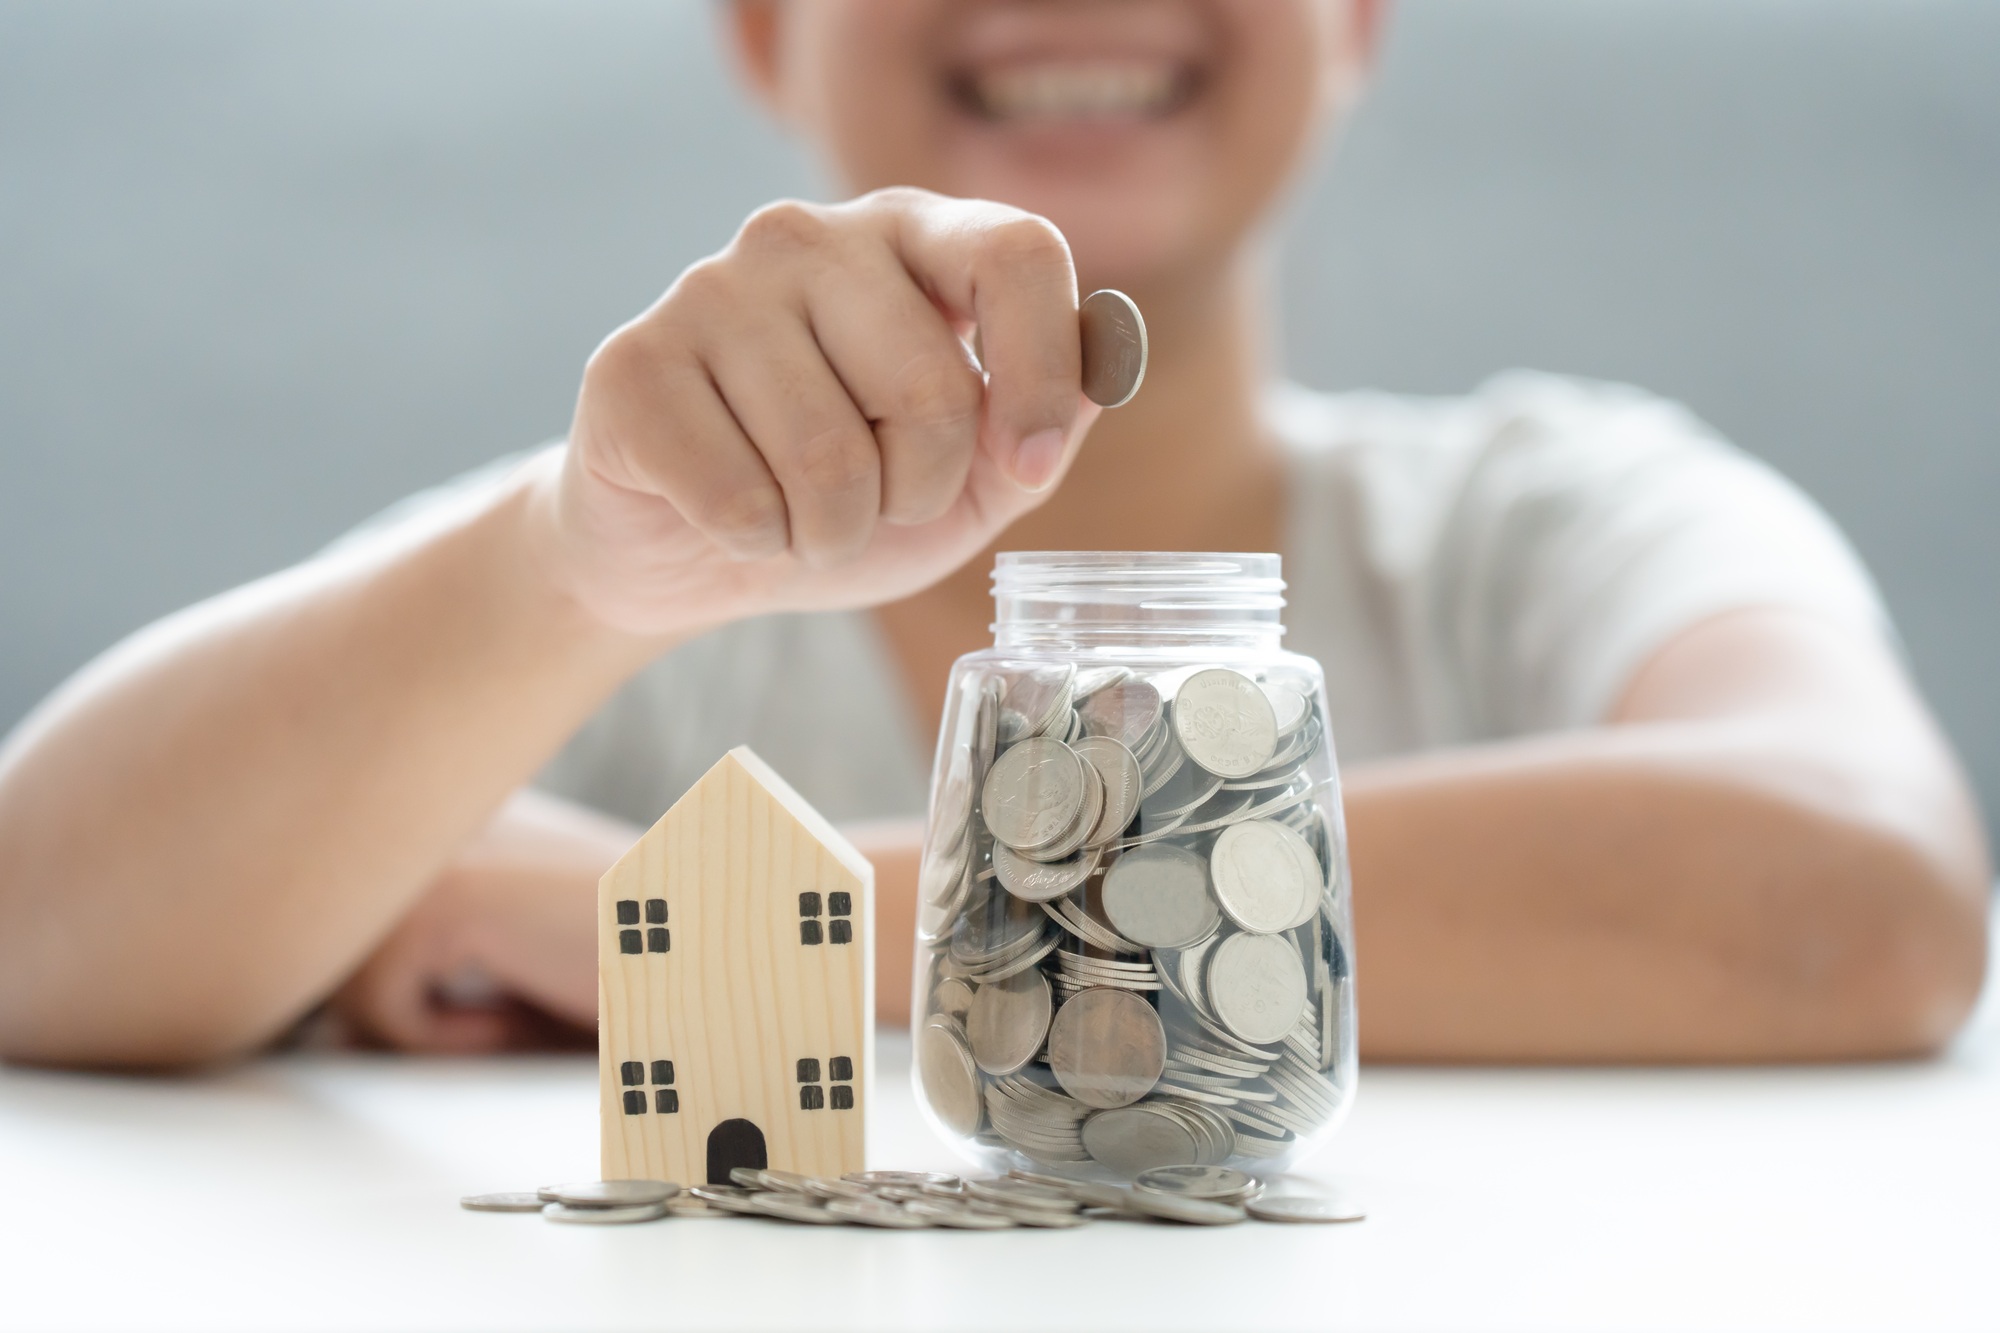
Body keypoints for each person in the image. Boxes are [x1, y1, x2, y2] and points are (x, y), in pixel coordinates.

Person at [0, 0, 1987, 1069]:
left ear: (1358, 17)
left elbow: (1867, 892)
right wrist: (569, 564)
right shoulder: (606, 560)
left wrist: (703, 929)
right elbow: (35, 931)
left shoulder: (1548, 519)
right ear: (762, 27)